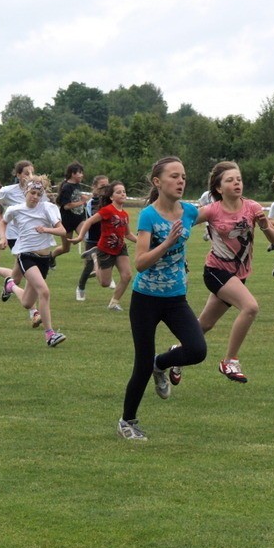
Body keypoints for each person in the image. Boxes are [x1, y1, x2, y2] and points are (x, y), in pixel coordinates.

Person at [117, 156, 207, 441]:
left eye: (183, 176)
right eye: (174, 176)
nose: (181, 181)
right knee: (140, 364)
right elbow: (141, 262)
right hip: (145, 299)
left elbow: (218, 213)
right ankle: (127, 422)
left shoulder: (190, 212)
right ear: (158, 182)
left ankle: (162, 362)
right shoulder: (149, 216)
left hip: (175, 298)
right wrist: (167, 243)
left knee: (197, 350)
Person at [193, 161, 274, 383]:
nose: (236, 183)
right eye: (230, 180)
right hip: (216, 271)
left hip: (239, 275)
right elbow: (183, 222)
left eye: (239, 179)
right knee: (250, 307)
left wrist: (264, 225)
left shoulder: (252, 207)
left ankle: (173, 355)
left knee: (204, 325)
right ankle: (229, 361)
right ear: (219, 188)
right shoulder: (212, 210)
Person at [0, 176, 68, 347]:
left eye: (38, 194)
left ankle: (11, 285)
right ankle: (50, 335)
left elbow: (62, 231)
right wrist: (3, 238)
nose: (35, 197)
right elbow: (3, 221)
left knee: (28, 302)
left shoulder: (48, 208)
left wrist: (46, 229)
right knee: (44, 292)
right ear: (26, 192)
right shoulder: (15, 209)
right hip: (26, 255)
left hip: (44, 259)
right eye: (32, 193)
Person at [69, 180, 137, 311]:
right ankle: (94, 256)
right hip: (105, 249)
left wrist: (143, 242)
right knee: (105, 283)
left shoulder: (125, 214)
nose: (123, 194)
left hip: (120, 248)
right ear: (111, 197)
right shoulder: (107, 210)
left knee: (127, 275)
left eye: (124, 191)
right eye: (118, 192)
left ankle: (114, 303)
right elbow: (89, 221)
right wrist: (80, 237)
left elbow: (128, 234)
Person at [0, 160, 41, 326]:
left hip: (33, 237)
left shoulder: (36, 191)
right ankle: (34, 312)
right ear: (18, 175)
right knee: (32, 274)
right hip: (16, 237)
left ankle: (9, 283)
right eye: (26, 173)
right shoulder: (8, 191)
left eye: (32, 172)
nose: (30, 176)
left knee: (18, 277)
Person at [74, 174, 110, 302]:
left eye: (107, 186)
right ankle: (80, 287)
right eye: (102, 186)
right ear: (94, 187)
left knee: (113, 258)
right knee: (88, 266)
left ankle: (104, 275)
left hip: (105, 236)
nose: (105, 189)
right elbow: (95, 218)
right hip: (92, 238)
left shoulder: (108, 200)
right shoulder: (91, 203)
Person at [50, 161, 89, 267]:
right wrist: (82, 201)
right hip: (67, 221)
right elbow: (66, 206)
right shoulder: (66, 187)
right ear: (73, 173)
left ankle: (89, 265)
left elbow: (75, 198)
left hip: (79, 219)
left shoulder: (77, 185)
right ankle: (51, 257)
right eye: (79, 172)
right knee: (65, 249)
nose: (82, 175)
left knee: (88, 239)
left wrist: (82, 200)